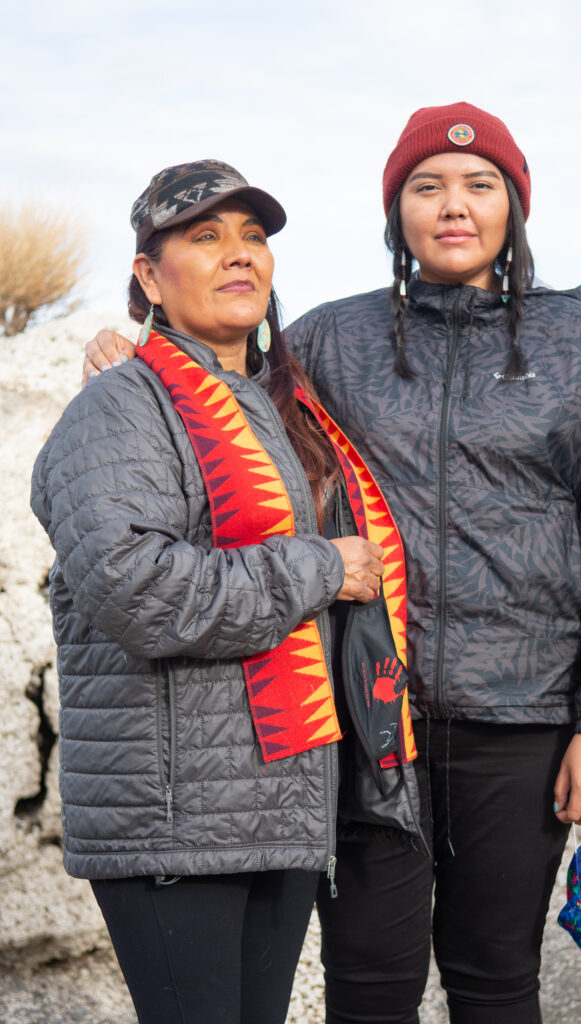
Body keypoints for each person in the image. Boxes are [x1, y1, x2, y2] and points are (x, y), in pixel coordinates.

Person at [82, 102, 581, 1024]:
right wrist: (130, 349)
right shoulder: (329, 338)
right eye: (425, 186)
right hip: (371, 719)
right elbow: (219, 394)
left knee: (497, 981)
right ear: (396, 214)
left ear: (513, 207)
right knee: (369, 987)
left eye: (478, 185)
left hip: (525, 719)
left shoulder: (575, 346)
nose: (453, 205)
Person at [31, 159, 425, 1024]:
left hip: (274, 801)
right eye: (204, 237)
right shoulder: (121, 409)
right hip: (175, 820)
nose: (237, 254)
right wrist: (324, 567)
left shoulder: (271, 409)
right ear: (147, 275)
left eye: (252, 237)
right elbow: (134, 589)